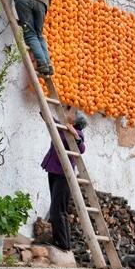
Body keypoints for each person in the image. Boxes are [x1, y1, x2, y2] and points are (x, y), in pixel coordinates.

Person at [40, 106, 87, 251]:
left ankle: (63, 243)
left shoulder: (76, 133)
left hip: (64, 174)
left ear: (75, 121)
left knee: (58, 209)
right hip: (54, 170)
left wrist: (77, 136)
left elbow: (82, 148)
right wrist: (42, 105)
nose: (68, 115)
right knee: (57, 208)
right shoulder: (61, 128)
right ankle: (60, 241)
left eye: (71, 114)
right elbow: (48, 118)